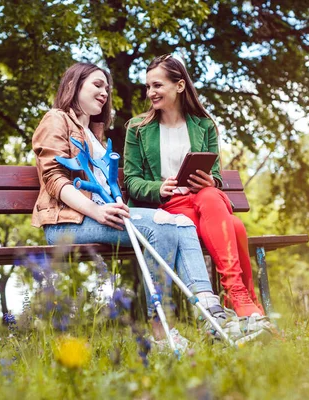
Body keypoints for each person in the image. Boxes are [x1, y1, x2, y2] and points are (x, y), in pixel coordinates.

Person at [31, 62, 245, 348]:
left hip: (100, 216)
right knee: (163, 225)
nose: (104, 92)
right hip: (69, 222)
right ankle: (161, 331)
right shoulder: (56, 119)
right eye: (97, 85)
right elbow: (54, 179)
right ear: (74, 85)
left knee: (180, 221)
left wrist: (111, 207)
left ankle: (209, 311)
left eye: (107, 87)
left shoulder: (94, 134)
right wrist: (97, 211)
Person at [124, 54, 267, 322]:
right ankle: (243, 301)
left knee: (212, 194)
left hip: (203, 202)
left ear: (179, 86)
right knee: (235, 228)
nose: (150, 93)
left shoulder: (204, 125)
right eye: (148, 87)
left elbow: (214, 175)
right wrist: (158, 187)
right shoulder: (137, 128)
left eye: (157, 85)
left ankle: (236, 296)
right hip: (168, 209)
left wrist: (211, 181)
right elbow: (131, 182)